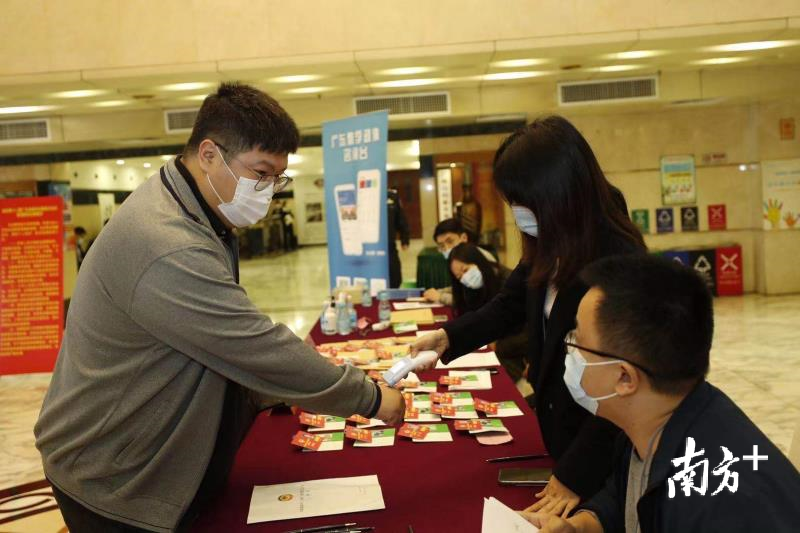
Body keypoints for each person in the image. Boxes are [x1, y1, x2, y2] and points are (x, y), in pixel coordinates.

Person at [34, 82, 405, 533]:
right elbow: (251, 345)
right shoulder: (166, 243)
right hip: (116, 473)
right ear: (209, 154)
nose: (268, 191)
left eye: (277, 179)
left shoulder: (190, 205)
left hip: (143, 440)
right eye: (260, 174)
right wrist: (368, 398)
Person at [412, 115, 646, 515]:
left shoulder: (619, 260)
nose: (518, 214)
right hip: (556, 428)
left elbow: (626, 390)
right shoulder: (550, 239)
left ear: (557, 194)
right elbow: (511, 302)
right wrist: (449, 337)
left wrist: (576, 473)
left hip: (599, 452)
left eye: (523, 203)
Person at [521, 254, 800, 532]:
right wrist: (580, 527)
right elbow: (625, 498)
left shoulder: (720, 505)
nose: (569, 352)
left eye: (578, 341)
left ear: (625, 377)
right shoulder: (652, 419)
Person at [447, 242, 528, 382]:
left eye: (465, 270)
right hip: (486, 348)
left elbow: (527, 333)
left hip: (512, 354)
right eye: (459, 277)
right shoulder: (470, 287)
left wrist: (499, 345)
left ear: (477, 261)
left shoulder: (509, 283)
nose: (465, 279)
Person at [423, 218, 496, 306]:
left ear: (464, 238)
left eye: (450, 241)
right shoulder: (455, 260)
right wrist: (439, 292)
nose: (447, 248)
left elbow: (475, 299)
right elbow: (461, 287)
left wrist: (440, 297)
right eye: (442, 246)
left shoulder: (482, 257)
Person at [387, 187, 410, 288]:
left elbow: (401, 219)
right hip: (369, 247)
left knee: (395, 276)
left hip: (389, 244)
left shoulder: (392, 197)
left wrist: (404, 239)